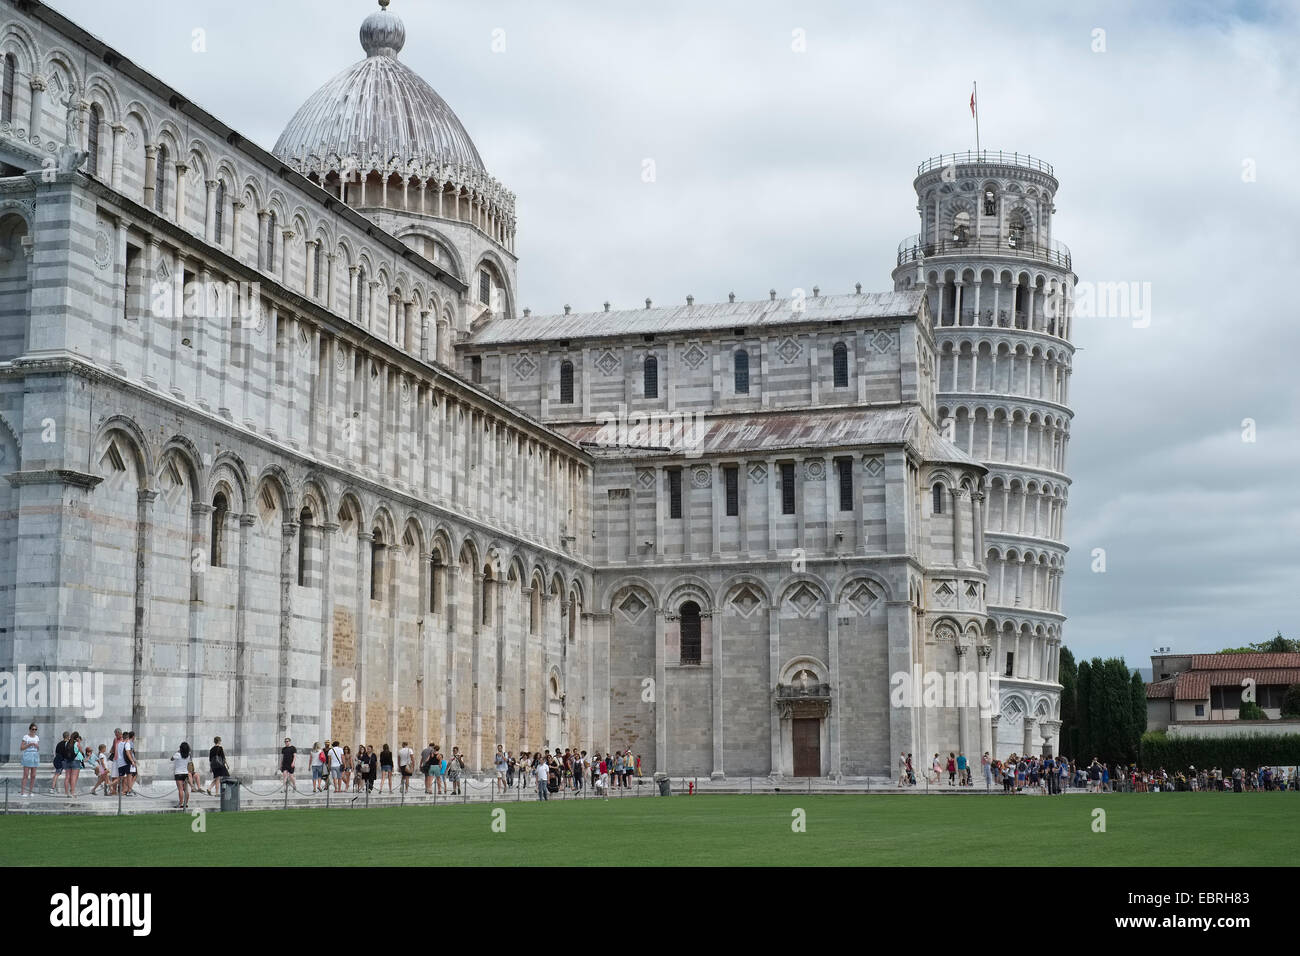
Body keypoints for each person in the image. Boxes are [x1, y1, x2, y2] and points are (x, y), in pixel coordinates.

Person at [19, 722, 40, 797]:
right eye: (33, 729)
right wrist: (29, 744)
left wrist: (37, 746)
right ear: (30, 729)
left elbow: (38, 748)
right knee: (26, 774)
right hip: (27, 755)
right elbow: (21, 748)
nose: (34, 731)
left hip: (35, 755)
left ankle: (30, 791)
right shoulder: (26, 737)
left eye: (35, 729)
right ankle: (22, 791)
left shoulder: (37, 737)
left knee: (33, 775)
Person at [172, 742, 193, 809]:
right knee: (186, 790)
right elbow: (189, 763)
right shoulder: (188, 755)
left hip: (178, 773)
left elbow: (171, 758)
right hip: (185, 773)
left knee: (180, 789)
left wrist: (177, 752)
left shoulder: (177, 754)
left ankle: (180, 804)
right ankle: (185, 803)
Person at [65, 733, 85, 797]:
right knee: (74, 777)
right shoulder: (77, 744)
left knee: (67, 777)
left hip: (68, 761)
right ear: (77, 738)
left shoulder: (66, 743)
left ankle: (67, 793)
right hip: (75, 761)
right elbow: (81, 751)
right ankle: (72, 792)